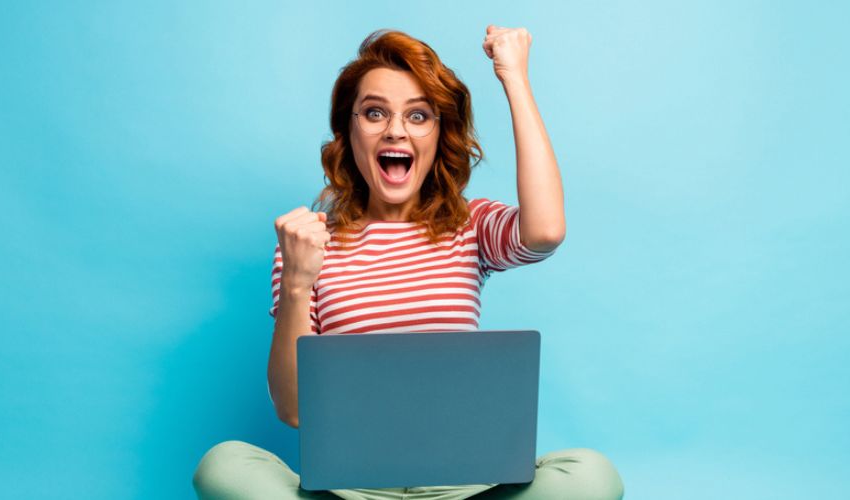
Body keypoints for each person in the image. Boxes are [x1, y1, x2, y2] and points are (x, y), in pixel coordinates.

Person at [194, 27, 625, 500]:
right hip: (350, 490)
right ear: (348, 130)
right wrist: (298, 282)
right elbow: (294, 409)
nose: (395, 130)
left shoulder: (469, 225)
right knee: (224, 466)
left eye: (418, 115)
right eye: (375, 112)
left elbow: (544, 232)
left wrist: (515, 79)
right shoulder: (308, 245)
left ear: (440, 135)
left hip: (466, 486)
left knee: (589, 475)